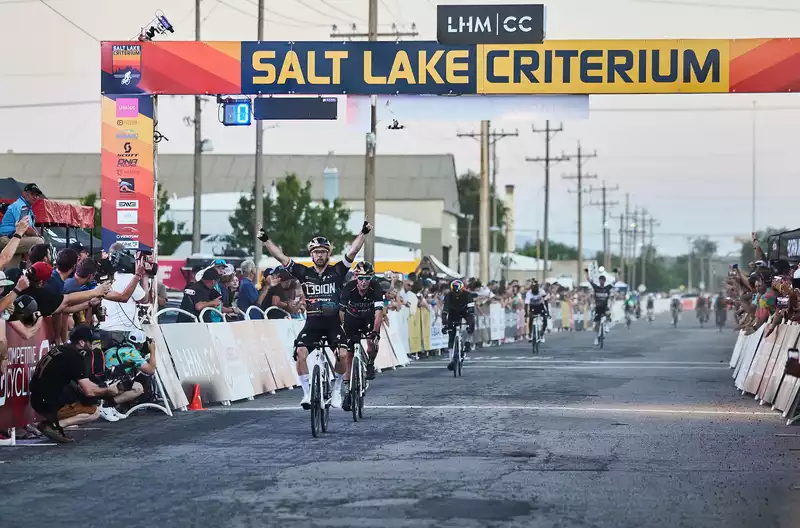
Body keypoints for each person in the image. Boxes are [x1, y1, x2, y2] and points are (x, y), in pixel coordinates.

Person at [258, 220, 372, 409]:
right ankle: (307, 393)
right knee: (300, 353)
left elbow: (352, 251)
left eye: (323, 251)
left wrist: (363, 233)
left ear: (328, 254)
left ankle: (336, 391)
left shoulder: (337, 271)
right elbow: (281, 257)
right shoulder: (303, 272)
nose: (319, 255)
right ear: (311, 255)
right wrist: (265, 239)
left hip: (333, 323)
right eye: (316, 252)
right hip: (312, 323)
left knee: (343, 355)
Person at [29, 326, 121, 443]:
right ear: (82, 342)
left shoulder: (58, 349)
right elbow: (89, 391)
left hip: (37, 398)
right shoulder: (74, 358)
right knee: (94, 411)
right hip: (47, 403)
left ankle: (53, 423)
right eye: (91, 341)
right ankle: (52, 425)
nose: (93, 345)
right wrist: (109, 391)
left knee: (81, 395)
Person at [339, 261, 384, 410]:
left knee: (372, 343)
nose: (364, 282)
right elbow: (341, 312)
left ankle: (370, 362)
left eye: (367, 278)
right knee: (349, 356)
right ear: (355, 278)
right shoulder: (348, 288)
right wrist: (340, 329)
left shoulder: (376, 287)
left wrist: (376, 332)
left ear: (371, 278)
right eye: (360, 278)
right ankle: (347, 393)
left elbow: (378, 313)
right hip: (351, 320)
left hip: (368, 319)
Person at [101, 328, 157, 421]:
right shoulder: (132, 353)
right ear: (141, 344)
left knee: (132, 382)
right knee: (138, 389)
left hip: (104, 380)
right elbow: (151, 370)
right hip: (110, 383)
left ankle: (110, 407)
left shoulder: (116, 348)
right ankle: (106, 406)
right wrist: (153, 351)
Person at [98, 249, 149, 344]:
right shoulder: (130, 278)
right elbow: (144, 300)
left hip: (105, 329)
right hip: (123, 331)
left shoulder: (104, 280)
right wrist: (144, 276)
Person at [0, 183, 46, 266]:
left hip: (13, 238)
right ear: (25, 193)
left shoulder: (28, 208)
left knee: (13, 266)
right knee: (39, 242)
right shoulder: (20, 206)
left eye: (37, 195)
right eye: (33, 194)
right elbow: (26, 229)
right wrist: (38, 235)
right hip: (6, 238)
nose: (35, 197)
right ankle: (34, 273)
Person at [442, 279, 476, 371]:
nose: (457, 294)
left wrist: (469, 324)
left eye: (459, 293)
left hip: (465, 311)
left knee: (472, 321)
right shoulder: (448, 296)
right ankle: (451, 360)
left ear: (462, 290)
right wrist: (445, 322)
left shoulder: (468, 295)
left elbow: (471, 311)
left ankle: (468, 341)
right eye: (454, 293)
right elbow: (445, 310)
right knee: (451, 335)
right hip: (453, 313)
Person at [585, 269, 616, 346]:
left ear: (604, 281)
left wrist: (616, 273)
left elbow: (616, 281)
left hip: (605, 307)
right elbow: (589, 280)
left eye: (603, 280)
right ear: (599, 281)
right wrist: (586, 272)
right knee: (596, 324)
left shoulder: (607, 288)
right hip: (598, 307)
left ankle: (607, 326)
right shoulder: (596, 288)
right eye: (600, 280)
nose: (601, 281)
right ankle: (596, 337)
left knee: (608, 314)